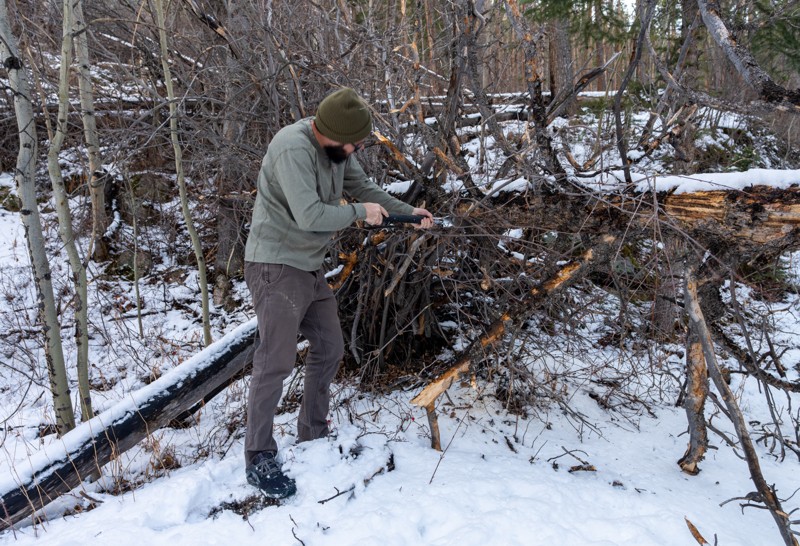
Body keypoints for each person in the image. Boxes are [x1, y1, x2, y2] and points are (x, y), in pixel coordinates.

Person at [242, 87, 433, 498]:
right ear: (332, 133)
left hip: (307, 266)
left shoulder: (336, 152)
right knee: (274, 361)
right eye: (356, 143)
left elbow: (364, 189)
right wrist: (357, 215)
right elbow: (310, 215)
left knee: (330, 347)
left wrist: (406, 214)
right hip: (275, 264)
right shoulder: (294, 148)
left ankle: (312, 434)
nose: (359, 149)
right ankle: (258, 455)